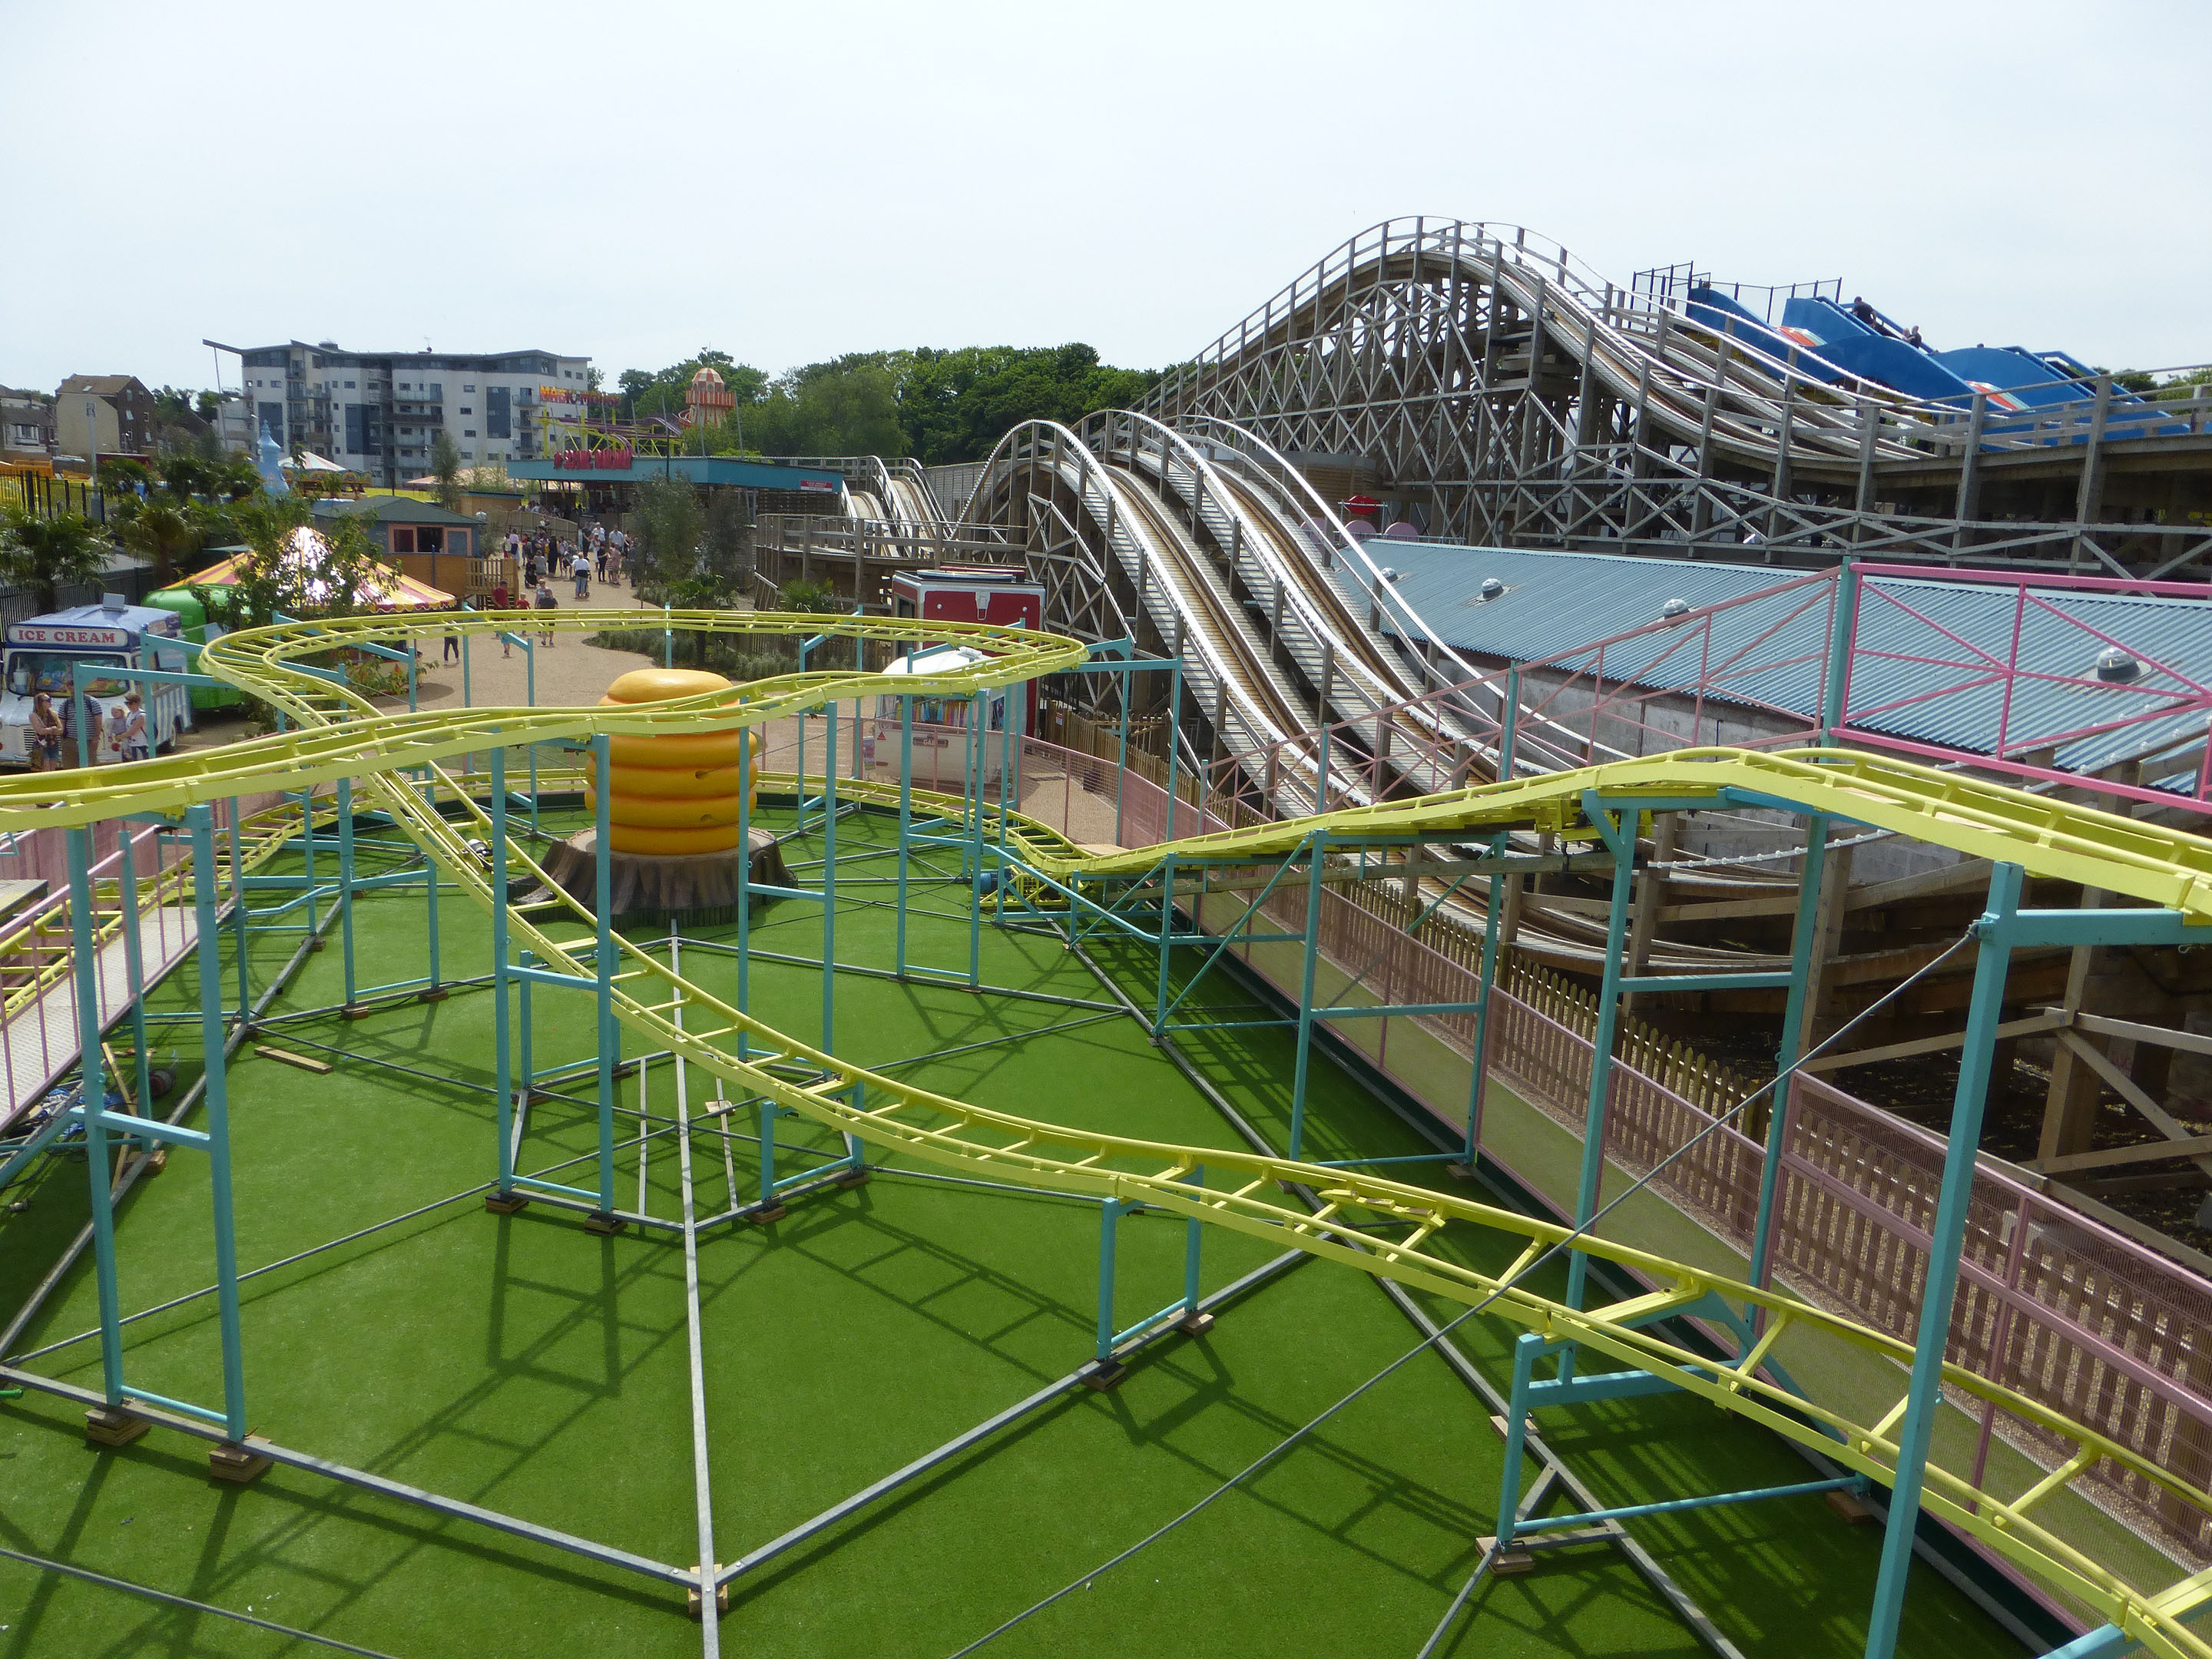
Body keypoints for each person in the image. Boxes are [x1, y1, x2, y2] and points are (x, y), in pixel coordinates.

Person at [28, 691, 61, 772]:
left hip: (53, 744)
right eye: (47, 700)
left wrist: (51, 730)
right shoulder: (34, 715)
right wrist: (53, 729)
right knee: (45, 768)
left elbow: (60, 729)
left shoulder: (54, 714)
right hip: (41, 745)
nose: (50, 702)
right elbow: (39, 731)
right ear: (40, 703)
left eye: (50, 700)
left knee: (53, 768)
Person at [113, 692, 150, 763]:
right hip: (131, 745)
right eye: (126, 703)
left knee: (140, 765)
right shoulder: (130, 714)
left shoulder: (141, 715)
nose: (128, 705)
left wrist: (119, 737)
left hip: (140, 745)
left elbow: (132, 732)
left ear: (137, 703)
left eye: (130, 703)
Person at [535, 578, 558, 647]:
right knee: (546, 628)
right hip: (546, 614)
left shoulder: (552, 599)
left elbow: (556, 606)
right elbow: (539, 605)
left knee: (549, 629)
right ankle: (545, 640)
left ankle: (549, 640)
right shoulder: (543, 599)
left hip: (548, 615)